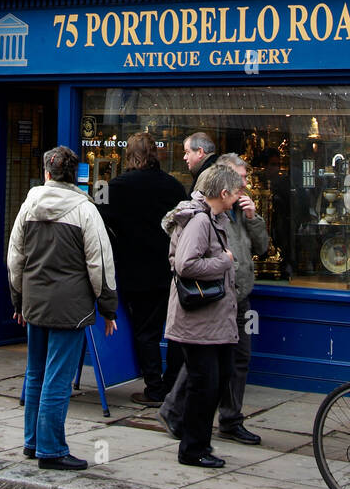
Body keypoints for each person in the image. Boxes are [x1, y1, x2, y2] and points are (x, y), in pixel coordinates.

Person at [7, 145, 118, 472]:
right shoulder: (85, 211)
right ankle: (51, 449)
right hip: (71, 307)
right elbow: (100, 265)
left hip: (35, 304)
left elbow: (15, 260)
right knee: (57, 378)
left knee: (36, 372)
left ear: (47, 173)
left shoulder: (29, 205)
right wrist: (108, 309)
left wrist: (18, 300)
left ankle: (33, 442)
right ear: (75, 176)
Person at [160, 153, 269, 443]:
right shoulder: (206, 216)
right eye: (240, 179)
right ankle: (179, 416)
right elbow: (185, 263)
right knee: (204, 366)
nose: (244, 185)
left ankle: (229, 419)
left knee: (235, 360)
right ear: (223, 182)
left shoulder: (237, 211)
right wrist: (224, 262)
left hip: (238, 295)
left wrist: (253, 217)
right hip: (212, 298)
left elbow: (262, 247)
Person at [162, 162, 240, 468]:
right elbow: (186, 265)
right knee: (203, 385)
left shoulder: (212, 218)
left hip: (211, 321)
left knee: (216, 383)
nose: (238, 197)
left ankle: (199, 444)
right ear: (223, 192)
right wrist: (224, 261)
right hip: (198, 321)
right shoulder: (200, 222)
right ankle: (192, 449)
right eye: (236, 192)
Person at [102, 132, 187, 406]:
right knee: (174, 330)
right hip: (171, 269)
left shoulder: (116, 186)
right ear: (156, 153)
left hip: (134, 270)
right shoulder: (173, 186)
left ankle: (154, 387)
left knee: (145, 332)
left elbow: (98, 223)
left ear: (129, 155)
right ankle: (173, 384)